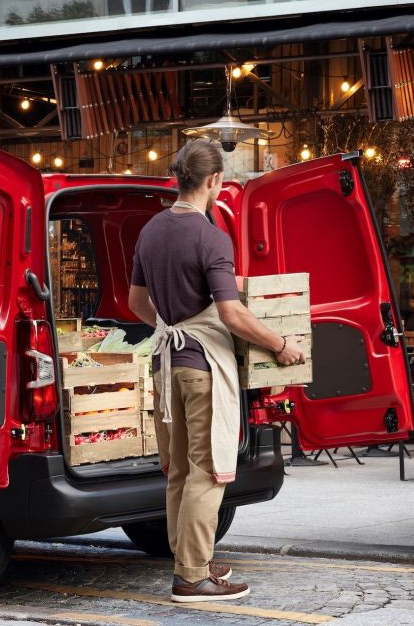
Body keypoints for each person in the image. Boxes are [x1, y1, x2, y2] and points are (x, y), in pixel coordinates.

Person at [127, 139, 304, 603]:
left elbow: (136, 304)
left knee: (180, 471)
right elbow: (232, 314)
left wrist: (174, 325)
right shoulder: (209, 236)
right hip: (202, 368)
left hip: (167, 365)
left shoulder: (150, 231)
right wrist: (280, 345)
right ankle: (191, 577)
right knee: (209, 472)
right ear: (213, 181)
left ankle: (193, 559)